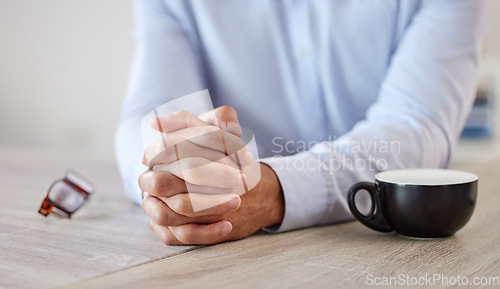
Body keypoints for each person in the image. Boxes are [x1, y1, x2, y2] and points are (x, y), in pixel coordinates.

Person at [115, 0, 485, 245]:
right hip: (229, 256)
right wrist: (168, 171)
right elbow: (149, 112)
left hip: (376, 244)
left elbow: (416, 124)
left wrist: (273, 190)